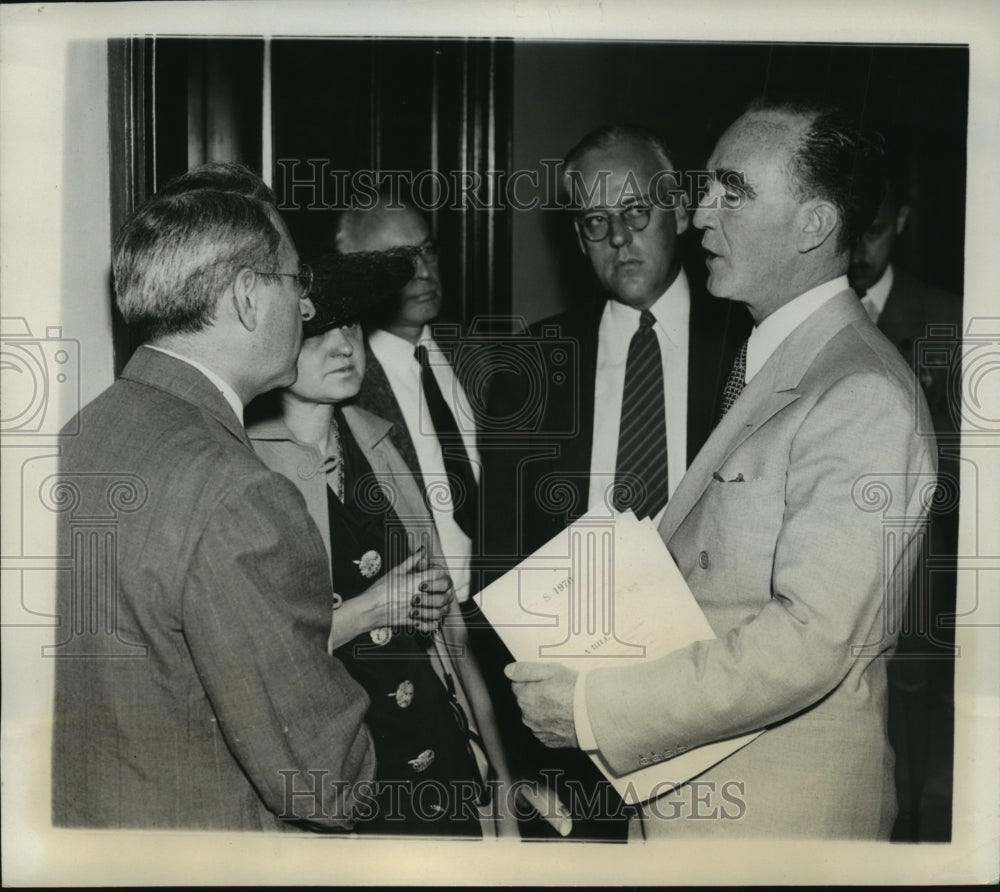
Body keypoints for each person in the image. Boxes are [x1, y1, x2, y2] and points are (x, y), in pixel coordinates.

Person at [506, 99, 937, 839]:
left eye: (732, 191)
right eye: (707, 189)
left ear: (814, 225)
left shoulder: (861, 393)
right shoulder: (778, 362)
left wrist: (591, 708)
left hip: (774, 823)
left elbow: (808, 642)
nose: (700, 213)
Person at [52, 179, 377, 830]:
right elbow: (325, 780)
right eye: (297, 280)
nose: (307, 305)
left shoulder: (78, 436)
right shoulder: (240, 494)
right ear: (250, 298)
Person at [472, 123, 749, 840]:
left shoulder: (750, 350)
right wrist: (527, 751)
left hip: (723, 699)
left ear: (682, 213)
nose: (620, 238)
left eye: (637, 214)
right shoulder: (532, 363)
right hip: (577, 717)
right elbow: (498, 562)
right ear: (577, 239)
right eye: (596, 222)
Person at [246, 253, 514, 837]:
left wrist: (500, 774)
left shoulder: (377, 443)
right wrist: (370, 609)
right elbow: (252, 661)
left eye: (350, 325)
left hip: (443, 765)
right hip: (347, 791)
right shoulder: (247, 467)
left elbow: (454, 634)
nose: (342, 344)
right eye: (316, 329)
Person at [850, 171, 962, 841]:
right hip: (829, 589)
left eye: (875, 226)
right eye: (850, 224)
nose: (859, 244)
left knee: (916, 785)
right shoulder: (801, 316)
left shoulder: (950, 320)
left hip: (922, 591)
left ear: (903, 220)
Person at [334, 197, 481, 605]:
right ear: (356, 272)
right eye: (398, 259)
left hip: (505, 610)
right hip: (420, 625)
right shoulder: (344, 390)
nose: (423, 271)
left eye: (427, 251)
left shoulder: (482, 361)